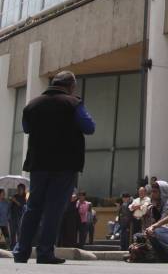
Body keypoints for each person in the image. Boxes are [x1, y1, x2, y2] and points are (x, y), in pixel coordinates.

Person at [13, 70, 95, 265]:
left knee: (33, 207)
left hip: (38, 164)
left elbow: (26, 128)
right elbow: (89, 127)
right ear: (71, 86)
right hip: (64, 165)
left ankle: (21, 251)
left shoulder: (32, 105)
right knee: (54, 208)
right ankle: (44, 252)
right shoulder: (73, 103)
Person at [9, 183, 26, 249]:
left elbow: (21, 205)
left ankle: (19, 247)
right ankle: (12, 246)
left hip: (20, 217)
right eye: (18, 188)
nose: (18, 190)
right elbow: (11, 206)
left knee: (19, 232)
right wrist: (11, 200)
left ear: (23, 189)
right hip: (12, 216)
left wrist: (14, 200)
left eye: (20, 189)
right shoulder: (15, 196)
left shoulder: (24, 197)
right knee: (12, 232)